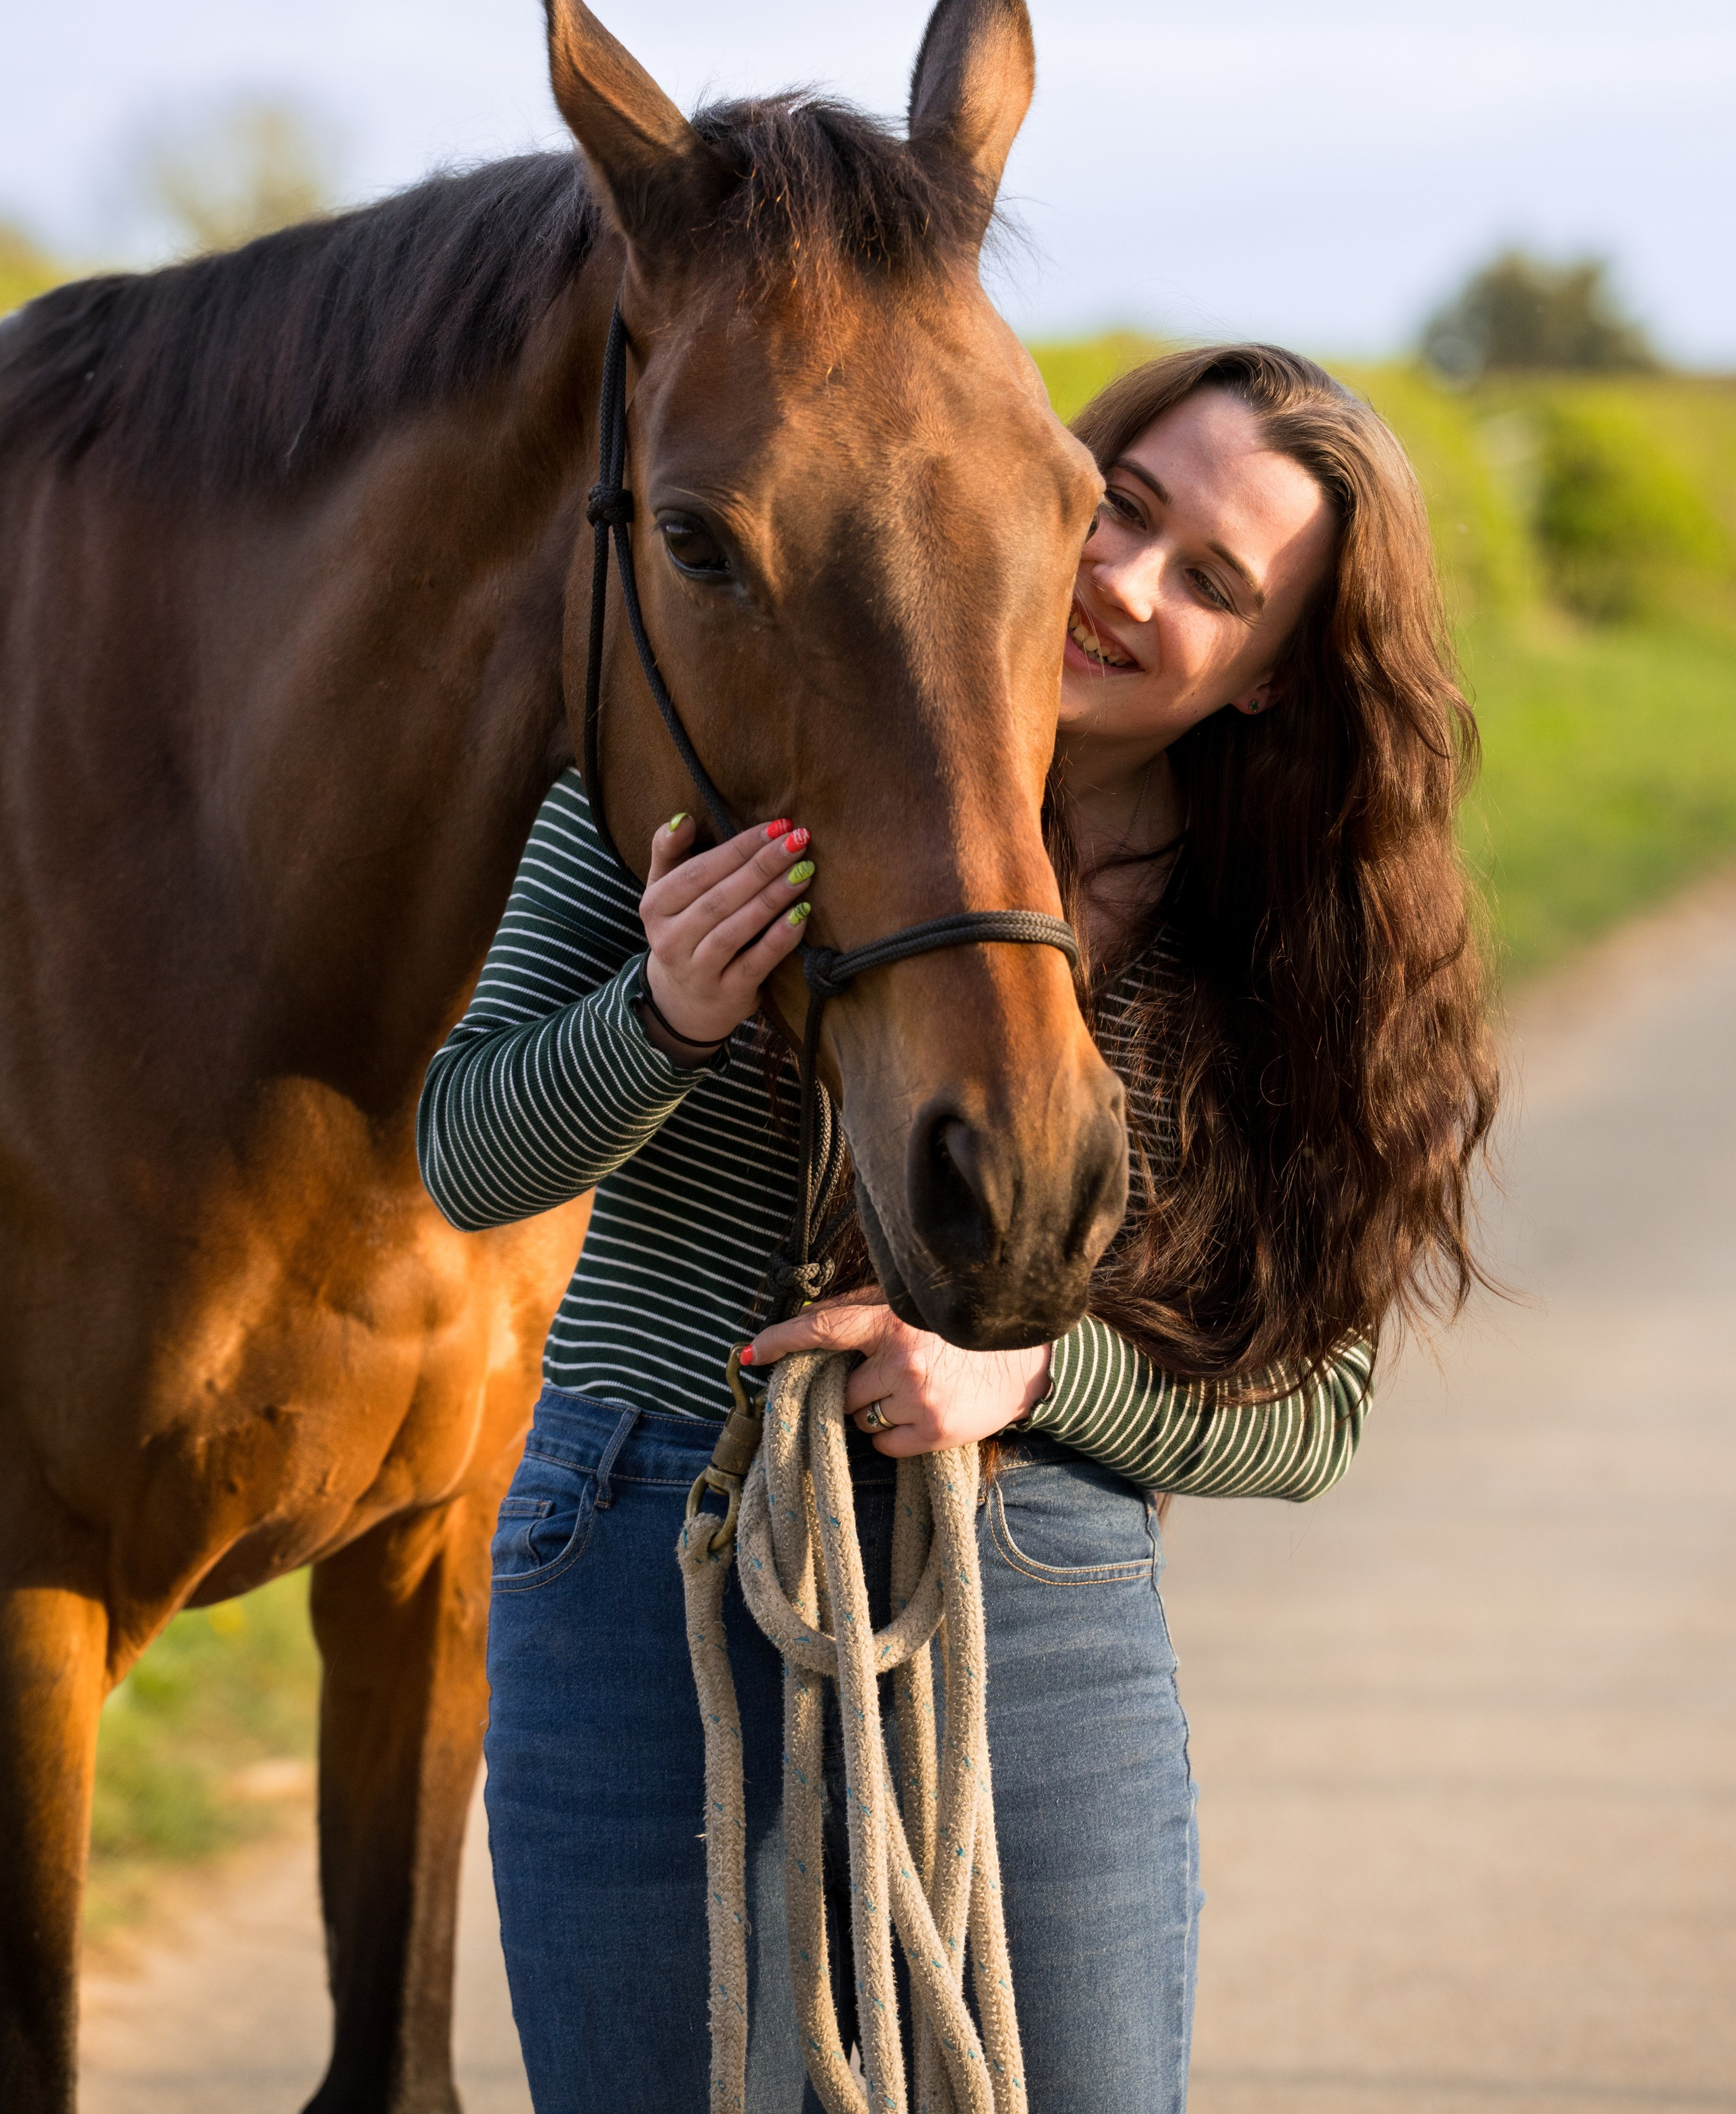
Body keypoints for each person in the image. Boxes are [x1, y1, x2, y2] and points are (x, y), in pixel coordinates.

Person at [418, 342, 1496, 2114]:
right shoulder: (712, 726)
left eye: (1215, 581)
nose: (1128, 582)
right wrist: (662, 1014)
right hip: (632, 1558)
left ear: (1270, 676)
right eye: (1123, 508)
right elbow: (469, 1155)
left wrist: (1036, 1376)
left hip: (1037, 1581)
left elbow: (1317, 1414)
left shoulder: (1278, 938)